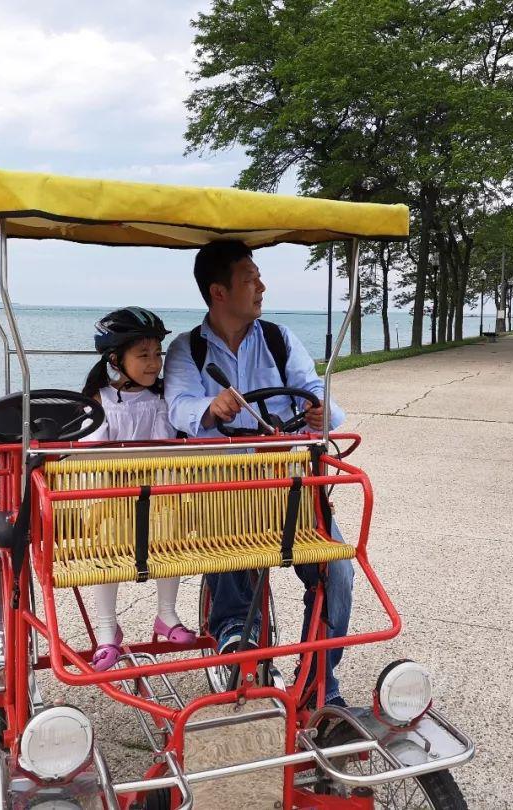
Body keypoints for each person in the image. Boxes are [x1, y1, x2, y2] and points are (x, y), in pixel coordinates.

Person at [164, 240, 353, 705]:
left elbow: (316, 393)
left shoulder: (278, 338)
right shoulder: (187, 348)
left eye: (259, 277)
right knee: (226, 533)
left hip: (283, 481)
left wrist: (321, 412)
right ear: (219, 292)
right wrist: (210, 408)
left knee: (339, 573)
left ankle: (319, 686)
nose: (262, 287)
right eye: (250, 279)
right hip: (219, 485)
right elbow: (178, 405)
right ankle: (233, 631)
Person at [82, 306, 197, 672]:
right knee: (108, 551)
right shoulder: (100, 400)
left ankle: (166, 614)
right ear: (116, 360)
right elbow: (92, 455)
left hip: (154, 493)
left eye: (158, 354)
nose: (154, 363)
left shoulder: (160, 399)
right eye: (143, 355)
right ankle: (107, 629)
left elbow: (164, 448)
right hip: (112, 497)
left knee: (171, 537)